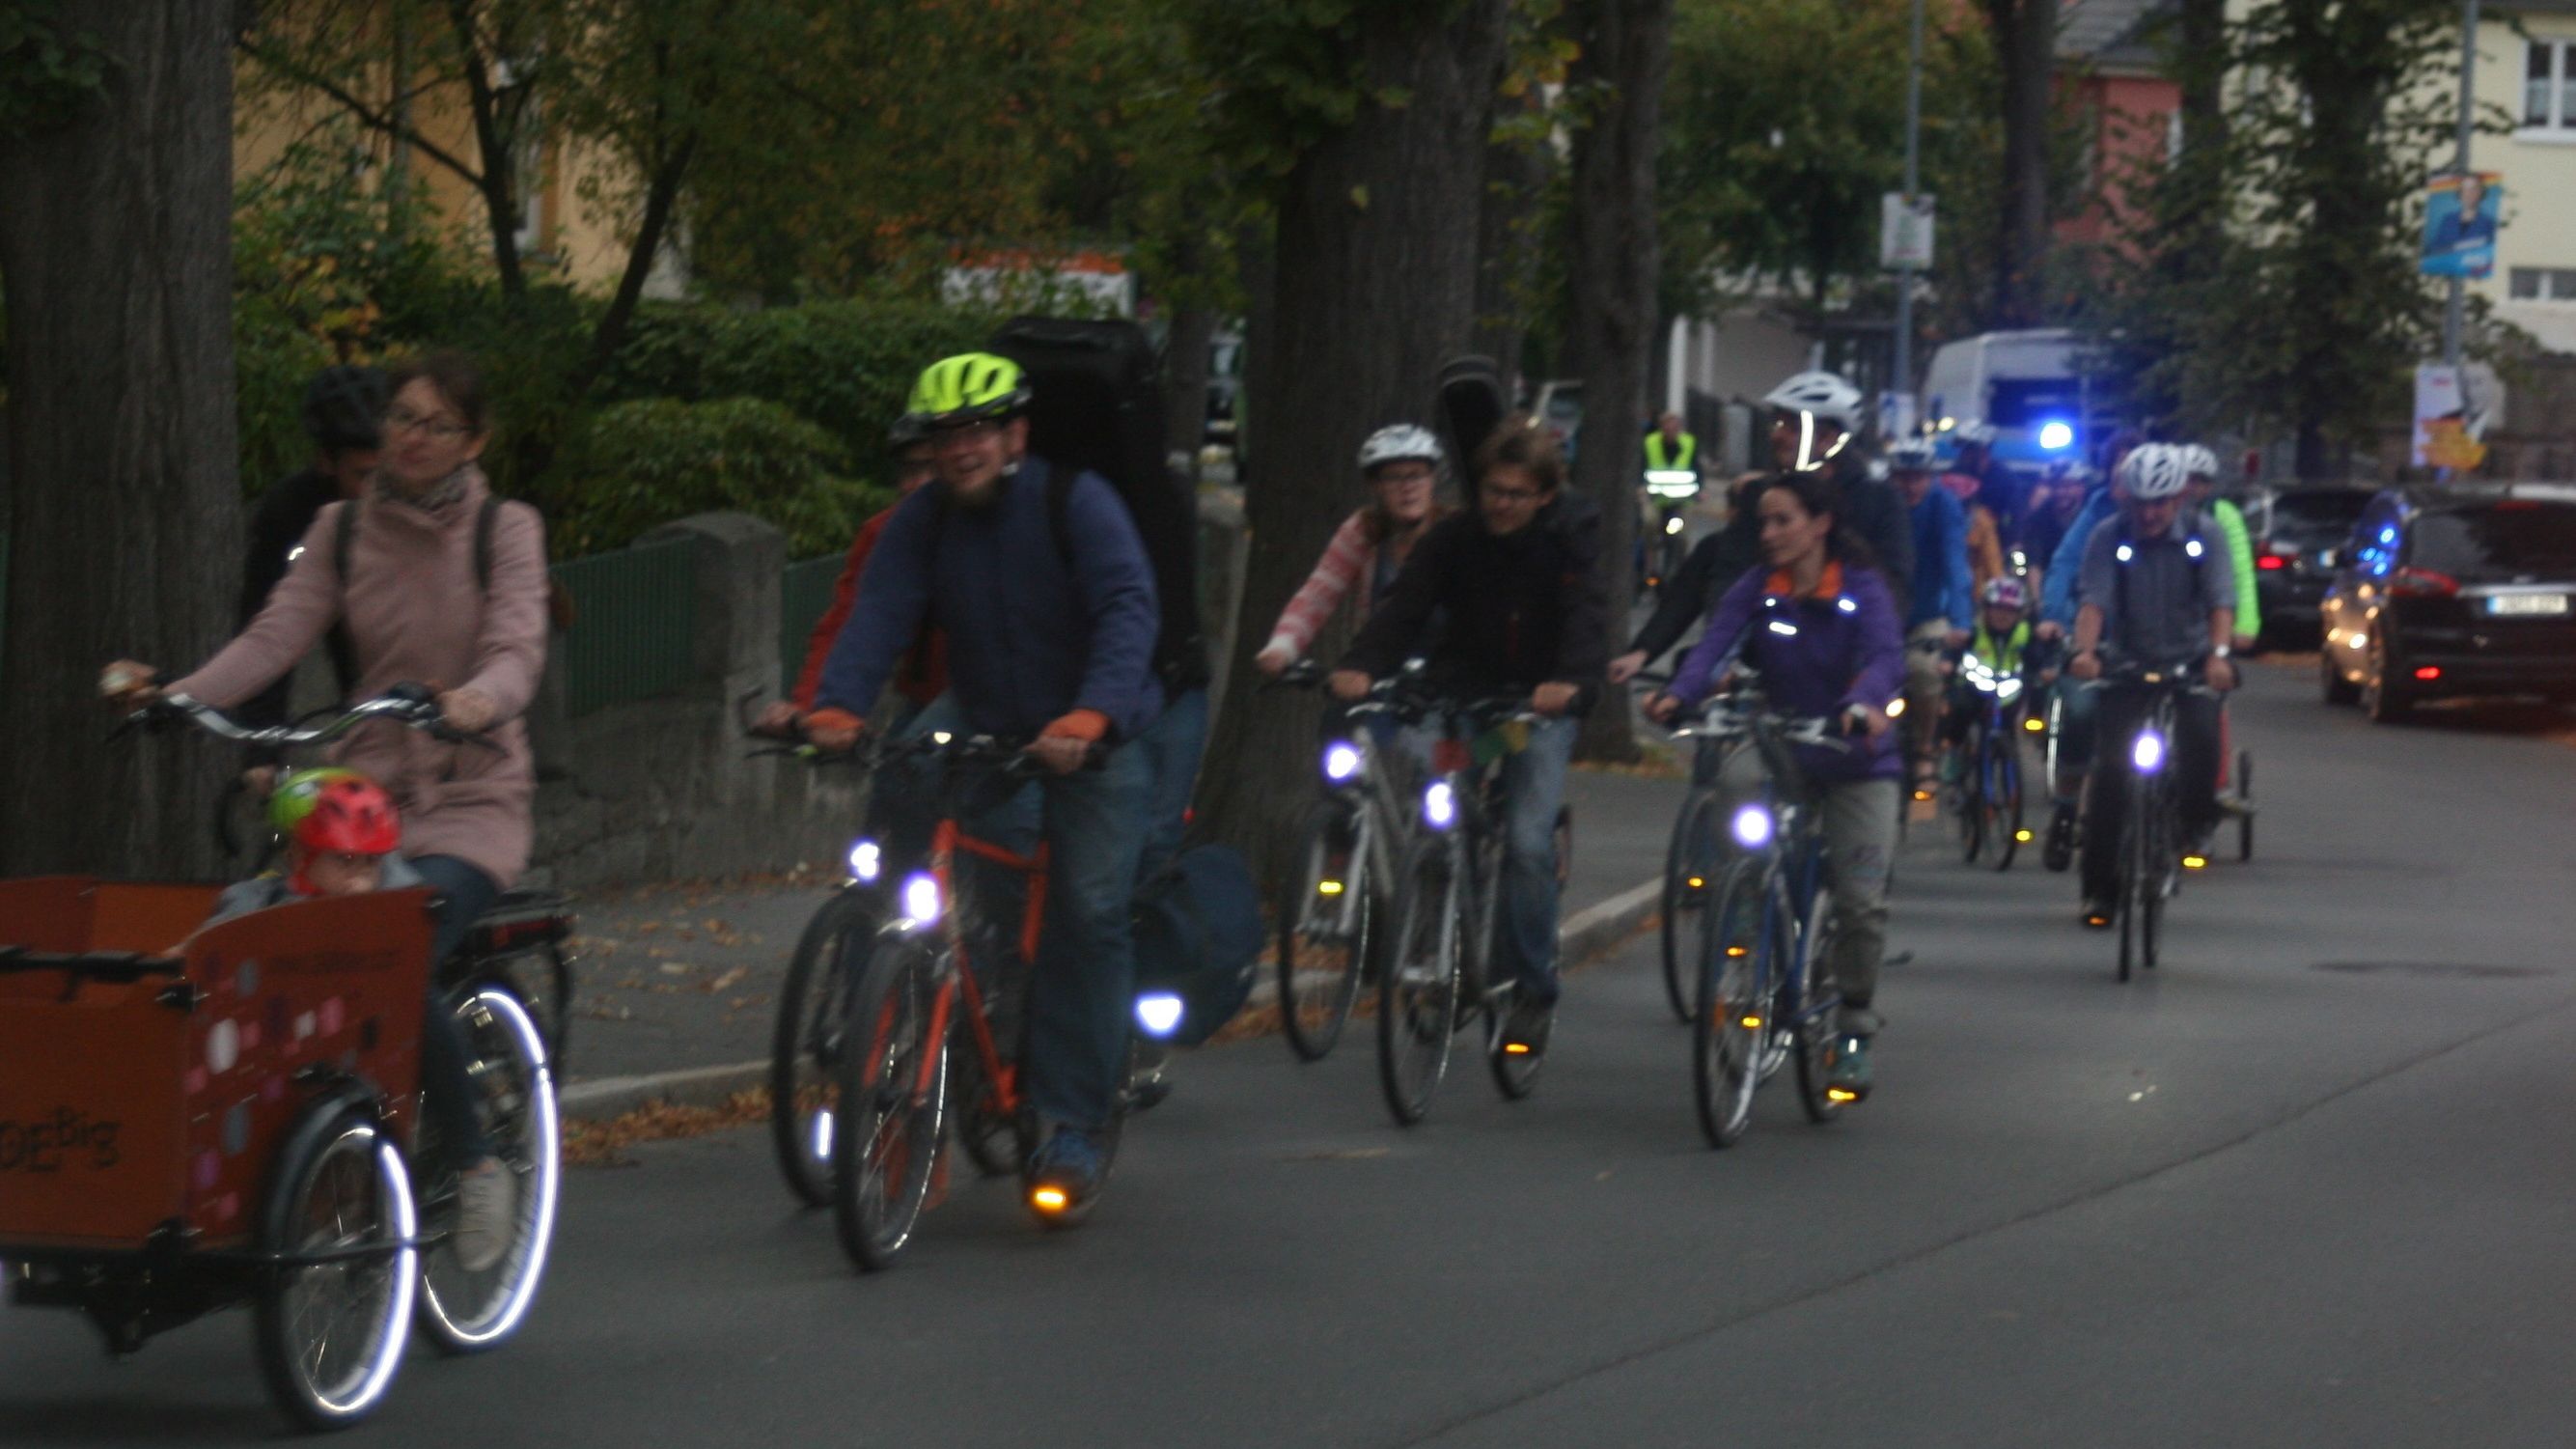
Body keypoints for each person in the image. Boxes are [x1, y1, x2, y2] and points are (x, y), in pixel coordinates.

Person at [104, 350, 547, 1273]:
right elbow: (273, 637)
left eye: (434, 424)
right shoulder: (340, 527)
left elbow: (517, 647)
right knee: (268, 937)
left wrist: (473, 701)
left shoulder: (506, 529)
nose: (411, 438)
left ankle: (473, 1160)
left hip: (469, 798)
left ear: (473, 441)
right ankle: (287, 1151)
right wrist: (176, 698)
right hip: (364, 795)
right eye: (401, 418)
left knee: (393, 946)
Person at [804, 351, 1161, 1219]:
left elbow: (1127, 607)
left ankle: (1074, 1118)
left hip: (1088, 725)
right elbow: (878, 611)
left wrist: (1092, 716)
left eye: (976, 431)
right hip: (986, 709)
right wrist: (838, 707)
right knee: (901, 781)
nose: (960, 449)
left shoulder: (1076, 501)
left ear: (1013, 435)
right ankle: (893, 994)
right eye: (945, 435)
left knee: (1084, 906)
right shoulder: (921, 520)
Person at [1331, 414, 1605, 1052]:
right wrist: (1361, 664)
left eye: (1516, 494)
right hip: (1465, 702)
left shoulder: (1564, 542)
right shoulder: (1453, 538)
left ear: (1542, 496)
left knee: (1528, 845)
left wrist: (1568, 681)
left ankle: (1533, 990)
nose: (1501, 505)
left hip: (1529, 715)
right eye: (1492, 491)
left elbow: (1586, 614)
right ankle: (1449, 953)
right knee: (1440, 812)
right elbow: (1405, 605)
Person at [1645, 468, 1904, 1101]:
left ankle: (1852, 1028)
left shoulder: (1861, 588)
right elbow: (1712, 645)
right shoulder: (1757, 587)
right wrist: (1679, 693)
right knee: (1733, 784)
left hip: (1854, 759)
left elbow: (1883, 657)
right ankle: (1744, 899)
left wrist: (1863, 701)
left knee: (1860, 901)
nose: (1767, 532)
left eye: (1781, 519)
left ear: (1819, 525)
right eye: (1762, 521)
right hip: (1782, 746)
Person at [2067, 443, 2237, 926]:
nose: (2150, 513)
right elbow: (2093, 602)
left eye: (2160, 502)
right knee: (2111, 779)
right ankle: (2100, 892)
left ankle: (2192, 823)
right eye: (2140, 502)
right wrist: (2085, 654)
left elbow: (2220, 602)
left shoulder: (2206, 537)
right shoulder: (2107, 536)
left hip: (2188, 663)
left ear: (2180, 496)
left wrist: (2219, 657)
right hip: (2125, 666)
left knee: (2203, 738)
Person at [235, 365, 391, 778]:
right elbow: (265, 630)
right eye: (363, 474)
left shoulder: (425, 502)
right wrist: (262, 748)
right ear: (326, 461)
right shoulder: (291, 511)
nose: (380, 489)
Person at [762, 415, 946, 736]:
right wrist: (815, 706)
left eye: (930, 469)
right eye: (909, 470)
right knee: (897, 779)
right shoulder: (884, 532)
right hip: (924, 699)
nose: (915, 484)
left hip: (1014, 705)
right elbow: (849, 621)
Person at [1253, 424, 1451, 685]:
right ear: (1375, 486)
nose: (1408, 487)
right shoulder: (1363, 531)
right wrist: (1282, 647)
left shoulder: (1455, 532)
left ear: (1432, 479)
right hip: (1378, 682)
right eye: (1394, 477)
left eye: (1417, 475)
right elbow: (1317, 594)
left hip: (1449, 684)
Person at [1891, 437, 1973, 788]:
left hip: (1928, 611)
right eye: (1903, 477)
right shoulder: (1882, 503)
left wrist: (1960, 620)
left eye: (1918, 477)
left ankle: (1925, 745)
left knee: (1925, 672)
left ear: (1931, 477)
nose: (1910, 486)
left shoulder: (1944, 505)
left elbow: (1956, 564)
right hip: (1883, 611)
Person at [1937, 576, 2059, 772]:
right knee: (1960, 710)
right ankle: (1954, 751)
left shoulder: (2025, 632)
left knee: (2021, 709)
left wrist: (2045, 669)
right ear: (1986, 609)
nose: (2003, 615)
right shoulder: (1973, 629)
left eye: (2010, 611)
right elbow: (1954, 648)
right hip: (1973, 686)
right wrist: (1948, 662)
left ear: (2019, 614)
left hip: (2008, 691)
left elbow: (2036, 656)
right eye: (1998, 608)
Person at [2180, 444, 2259, 653]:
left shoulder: (2224, 514)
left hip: (2210, 617)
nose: (2192, 487)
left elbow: (2241, 572)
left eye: (2200, 481)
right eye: (2187, 479)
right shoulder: (2162, 512)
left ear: (2209, 485)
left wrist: (2246, 624)